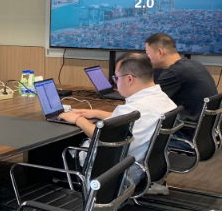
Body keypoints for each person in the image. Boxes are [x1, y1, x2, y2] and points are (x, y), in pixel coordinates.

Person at [58, 53, 176, 185]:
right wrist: (96, 113)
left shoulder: (133, 108)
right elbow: (130, 119)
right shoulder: (163, 99)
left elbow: (103, 137)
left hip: (109, 173)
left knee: (56, 150)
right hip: (139, 166)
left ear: (129, 79)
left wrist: (78, 120)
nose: (116, 83)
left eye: (117, 78)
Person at [145, 33, 218, 124]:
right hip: (206, 126)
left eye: (148, 53)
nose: (147, 58)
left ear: (160, 52)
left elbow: (149, 102)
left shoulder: (174, 72)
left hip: (187, 128)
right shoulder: (195, 64)